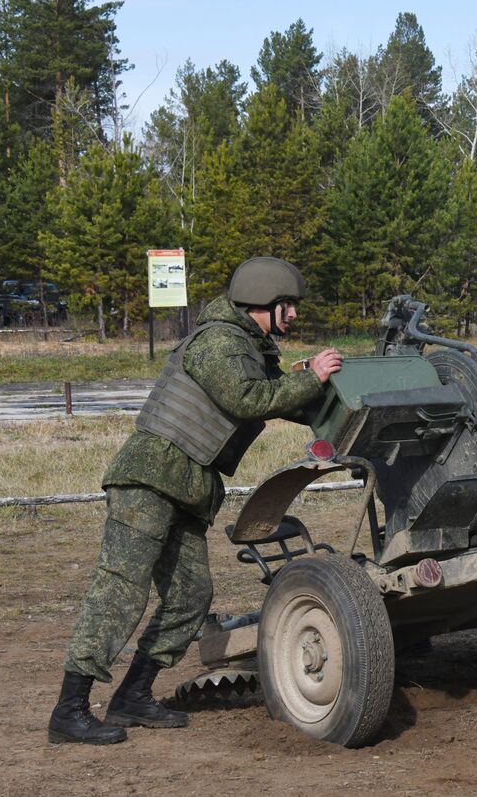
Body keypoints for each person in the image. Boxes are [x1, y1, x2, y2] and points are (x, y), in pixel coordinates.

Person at [48, 257, 342, 745]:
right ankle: (69, 710)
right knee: (120, 590)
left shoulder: (249, 346)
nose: (293, 314)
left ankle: (132, 696)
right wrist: (311, 377)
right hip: (149, 479)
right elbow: (247, 399)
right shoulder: (218, 341)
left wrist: (331, 386)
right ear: (262, 302)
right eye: (287, 305)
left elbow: (281, 397)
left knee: (190, 596)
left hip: (186, 485)